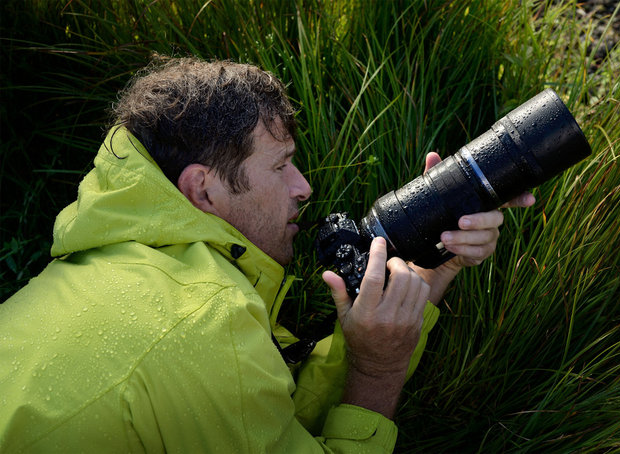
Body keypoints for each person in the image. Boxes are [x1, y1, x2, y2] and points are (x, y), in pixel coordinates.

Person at [0, 57, 534, 453]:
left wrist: (431, 266)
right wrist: (379, 372)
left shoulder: (115, 264)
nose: (303, 188)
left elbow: (268, 411)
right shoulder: (204, 318)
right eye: (280, 168)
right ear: (203, 190)